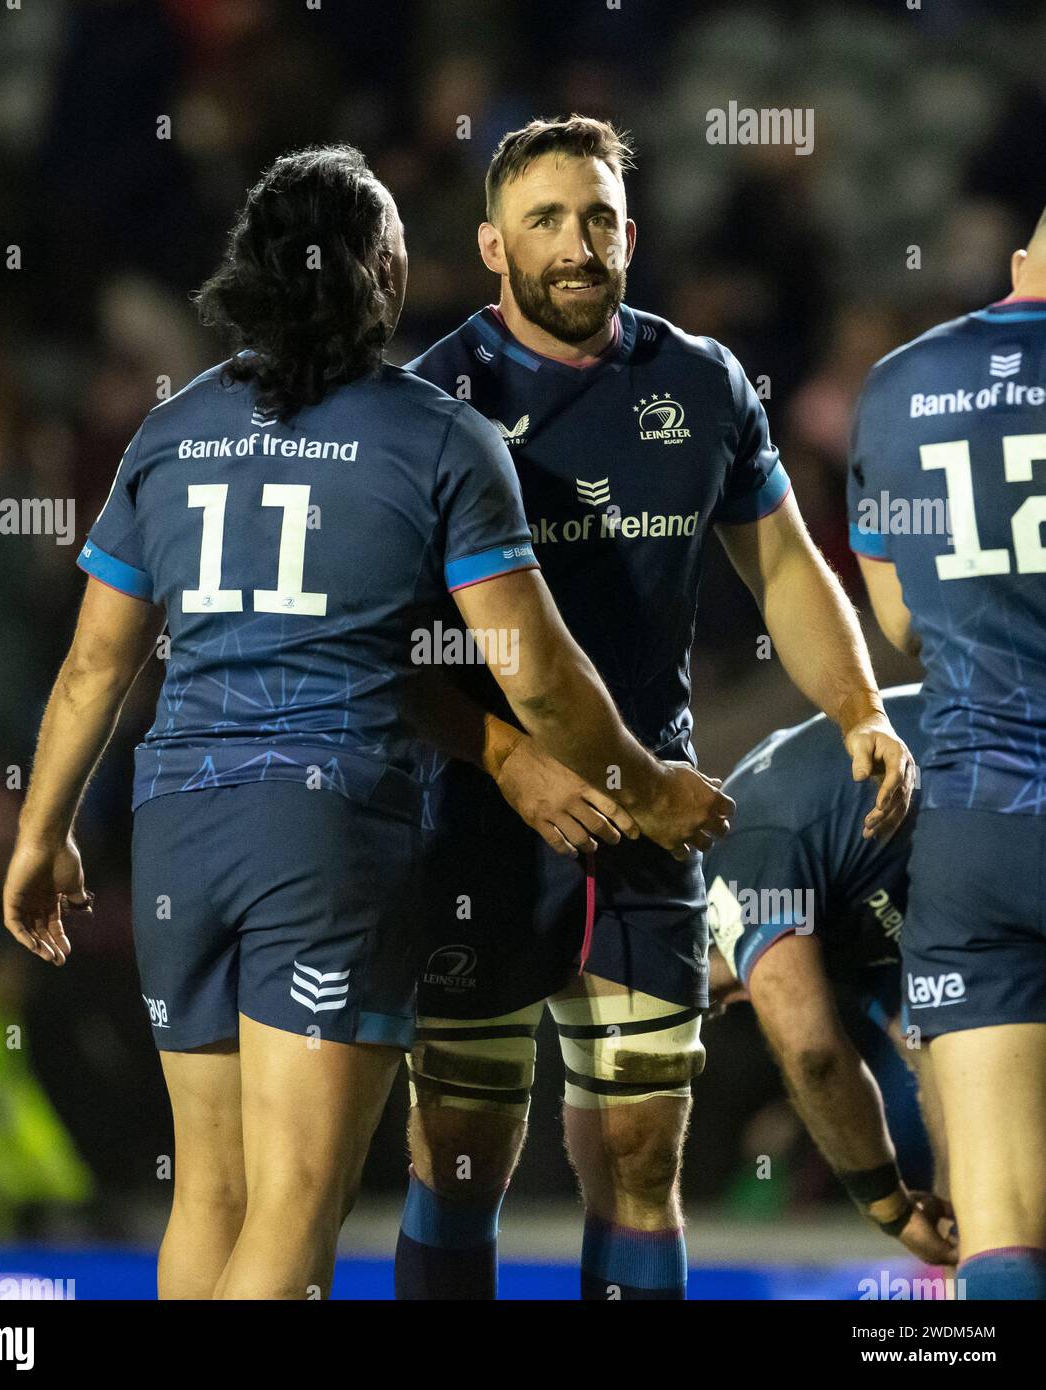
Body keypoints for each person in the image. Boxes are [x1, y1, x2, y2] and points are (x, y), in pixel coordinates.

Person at [0, 145, 731, 1300]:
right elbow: (533, 671)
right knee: (295, 1202)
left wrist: (40, 835)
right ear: (385, 272)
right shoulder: (435, 436)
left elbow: (95, 663)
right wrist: (645, 785)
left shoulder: (172, 428)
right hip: (325, 832)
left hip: (177, 828)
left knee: (209, 1194)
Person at [397, 115, 915, 1302]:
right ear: (491, 246)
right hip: (480, 820)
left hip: (652, 820)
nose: (575, 245)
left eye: (596, 218)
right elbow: (381, 645)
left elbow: (783, 567)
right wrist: (507, 758)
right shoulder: (433, 400)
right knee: (463, 1154)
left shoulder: (700, 381)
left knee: (639, 1153)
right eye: (543, 221)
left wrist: (856, 711)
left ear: (629, 232)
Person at [849, 216, 1046, 1298]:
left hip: (970, 832)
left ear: (1018, 269)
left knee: (1002, 1230)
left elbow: (899, 625)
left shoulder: (897, 384)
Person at [705, 686, 955, 1267]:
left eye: (711, 1002)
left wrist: (887, 1206)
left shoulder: (739, 872)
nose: (737, 1003)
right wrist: (950, 1207)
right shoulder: (838, 900)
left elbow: (814, 1056)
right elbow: (938, 1055)